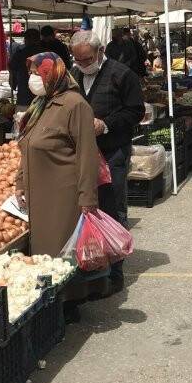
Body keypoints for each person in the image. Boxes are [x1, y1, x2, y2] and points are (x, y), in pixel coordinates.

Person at [14, 52, 101, 320]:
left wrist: (87, 199)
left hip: (64, 195)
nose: (32, 79)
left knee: (60, 251)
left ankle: (68, 305)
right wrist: (20, 182)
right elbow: (27, 146)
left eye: (36, 73)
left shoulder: (75, 105)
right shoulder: (40, 104)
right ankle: (52, 304)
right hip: (39, 192)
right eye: (31, 73)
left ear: (53, 73)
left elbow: (87, 154)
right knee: (44, 251)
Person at [71, 30, 144, 295]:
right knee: (88, 207)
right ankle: (93, 266)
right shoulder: (75, 75)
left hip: (113, 151)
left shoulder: (122, 75)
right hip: (84, 154)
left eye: (87, 59)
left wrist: (106, 124)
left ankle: (115, 271)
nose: (83, 64)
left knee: (113, 207)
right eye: (78, 60)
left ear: (100, 52)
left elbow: (135, 111)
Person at [9, 29, 43, 107]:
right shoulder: (47, 53)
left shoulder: (20, 54)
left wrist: (13, 83)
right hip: (43, 96)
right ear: (39, 39)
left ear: (26, 40)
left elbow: (12, 70)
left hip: (24, 95)